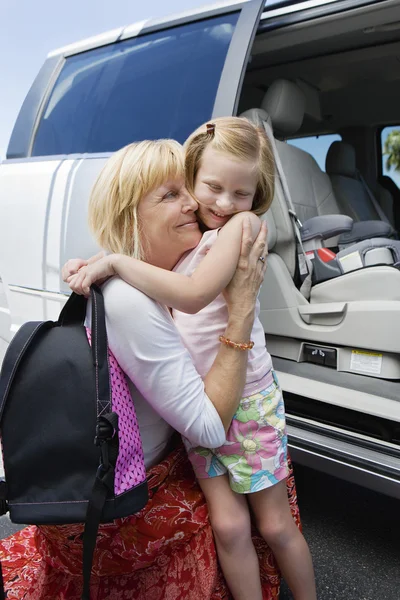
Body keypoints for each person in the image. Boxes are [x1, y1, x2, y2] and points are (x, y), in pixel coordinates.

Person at [0, 138, 301, 600]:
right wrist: (240, 310)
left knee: (255, 516)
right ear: (129, 215)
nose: (196, 205)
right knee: (247, 517)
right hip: (158, 473)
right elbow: (206, 427)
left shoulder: (162, 269)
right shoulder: (129, 298)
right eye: (170, 195)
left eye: (186, 190)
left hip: (179, 441)